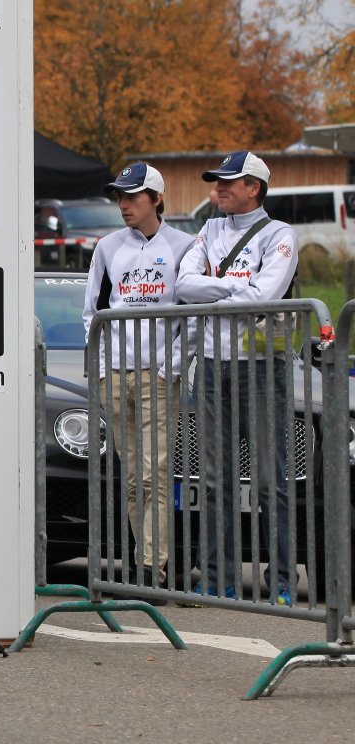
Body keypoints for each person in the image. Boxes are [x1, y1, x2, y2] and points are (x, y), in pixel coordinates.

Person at [175, 151, 299, 604]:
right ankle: (217, 579)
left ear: (254, 188)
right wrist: (235, 288)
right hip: (210, 366)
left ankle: (282, 582)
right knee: (213, 481)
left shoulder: (280, 234)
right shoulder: (208, 230)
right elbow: (183, 285)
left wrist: (215, 291)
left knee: (270, 481)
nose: (219, 188)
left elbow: (264, 294)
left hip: (262, 367)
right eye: (217, 181)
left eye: (229, 182)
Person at [82, 162, 193, 600]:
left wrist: (170, 367)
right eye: (119, 197)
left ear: (156, 199)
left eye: (132, 196)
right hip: (115, 376)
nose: (123, 205)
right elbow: (92, 313)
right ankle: (141, 565)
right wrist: (103, 368)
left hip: (157, 376)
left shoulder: (184, 246)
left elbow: (191, 315)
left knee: (155, 474)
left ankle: (151, 569)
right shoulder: (107, 247)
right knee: (132, 478)